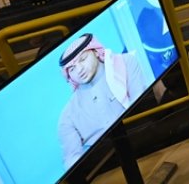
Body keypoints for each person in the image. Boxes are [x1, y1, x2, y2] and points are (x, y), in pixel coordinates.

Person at [57, 33, 149, 165]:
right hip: (105, 163)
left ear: (95, 52)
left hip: (141, 137)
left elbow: (141, 106)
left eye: (83, 59)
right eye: (72, 68)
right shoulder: (67, 116)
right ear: (68, 75)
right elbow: (72, 160)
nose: (79, 70)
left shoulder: (126, 63)